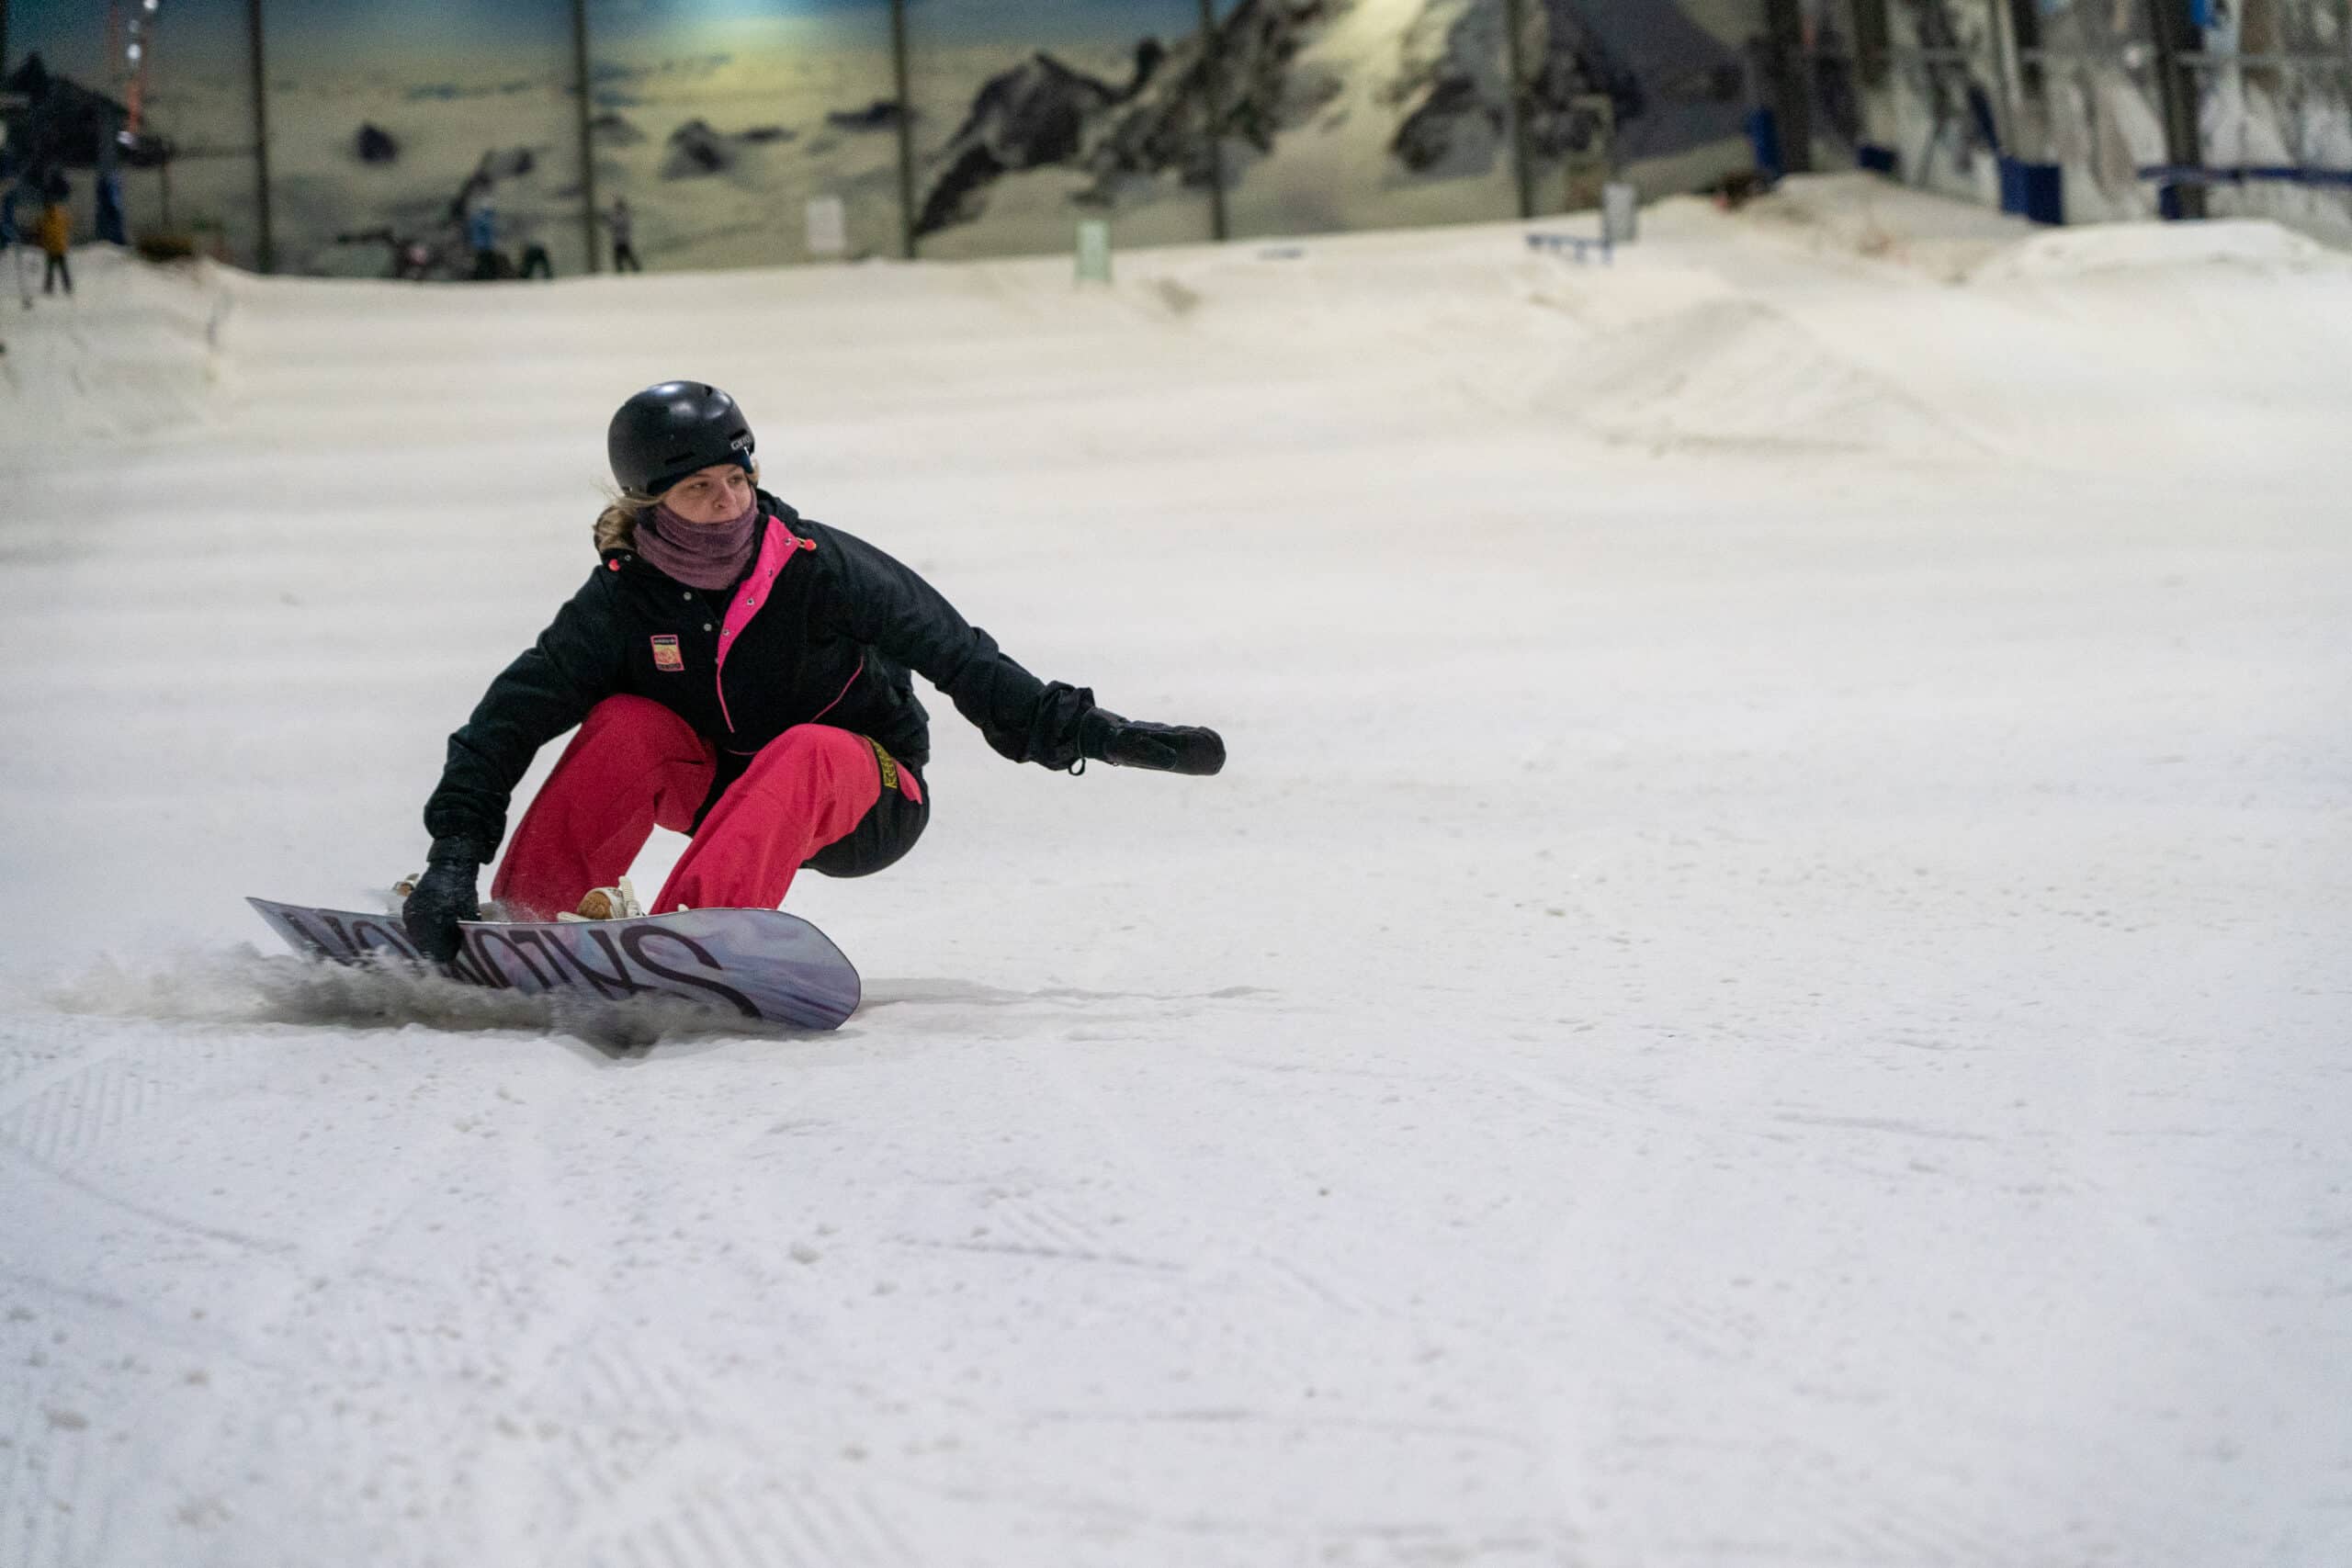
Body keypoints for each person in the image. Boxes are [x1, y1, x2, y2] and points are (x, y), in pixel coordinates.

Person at [400, 381, 1225, 960]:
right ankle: (525, 920)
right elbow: (507, 718)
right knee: (625, 723)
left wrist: (1093, 733)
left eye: (737, 477)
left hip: (867, 792)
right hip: (729, 796)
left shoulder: (819, 566)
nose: (728, 502)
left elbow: (960, 655)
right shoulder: (622, 601)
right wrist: (451, 859)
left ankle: (695, 940)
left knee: (806, 745)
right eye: (699, 488)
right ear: (651, 502)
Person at [39, 192, 72, 297]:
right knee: (58, 270)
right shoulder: (57, 217)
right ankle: (64, 287)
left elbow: (43, 232)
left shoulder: (47, 219)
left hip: (54, 248)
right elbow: (67, 224)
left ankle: (52, 288)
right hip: (57, 248)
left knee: (53, 270)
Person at [605, 197, 640, 273]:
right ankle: (623, 273)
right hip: (619, 241)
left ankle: (636, 271)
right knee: (620, 260)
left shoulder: (622, 216)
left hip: (622, 241)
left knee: (627, 258)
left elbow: (617, 225)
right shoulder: (619, 216)